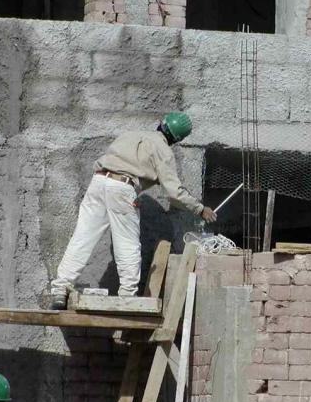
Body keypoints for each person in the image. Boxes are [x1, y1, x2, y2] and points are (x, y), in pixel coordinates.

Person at [49, 112, 216, 309]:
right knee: (127, 244)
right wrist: (200, 209)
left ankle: (60, 289)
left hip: (98, 182)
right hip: (122, 187)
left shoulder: (130, 135)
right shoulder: (162, 150)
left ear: (161, 124)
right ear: (177, 138)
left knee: (82, 237)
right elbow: (174, 192)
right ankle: (127, 297)